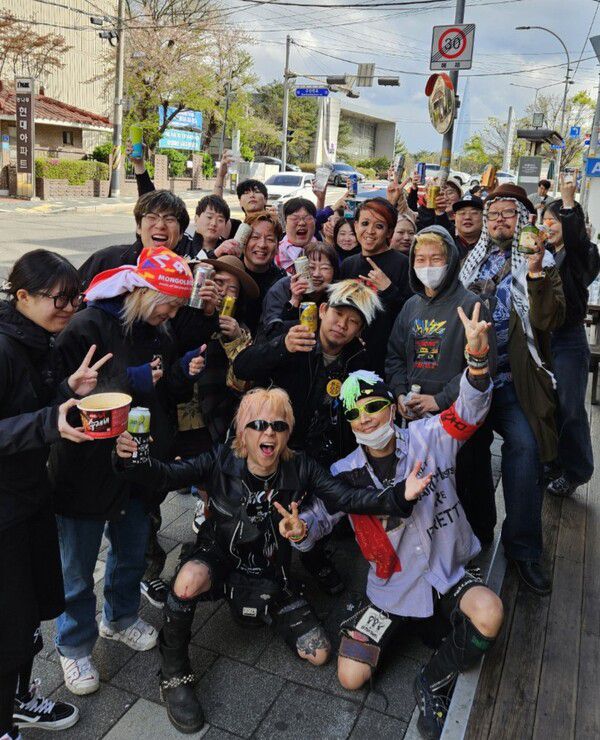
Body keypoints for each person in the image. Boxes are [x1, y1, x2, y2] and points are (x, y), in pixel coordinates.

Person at [114, 385, 419, 734]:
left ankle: (261, 605)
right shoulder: (220, 459)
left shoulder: (301, 466)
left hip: (271, 569)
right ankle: (173, 674)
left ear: (287, 433)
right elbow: (166, 476)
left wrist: (399, 496)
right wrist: (130, 460)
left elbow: (346, 497)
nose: (268, 432)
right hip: (220, 557)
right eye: (258, 424)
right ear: (243, 431)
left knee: (319, 654)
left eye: (278, 425)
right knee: (186, 581)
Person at [287, 303, 501, 739]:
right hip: (393, 587)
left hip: (446, 572)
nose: (366, 416)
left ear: (391, 406)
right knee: (350, 676)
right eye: (354, 411)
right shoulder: (344, 473)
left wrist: (477, 359)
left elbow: (470, 411)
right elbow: (319, 520)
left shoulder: (429, 437)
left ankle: (432, 681)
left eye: (373, 405)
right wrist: (300, 531)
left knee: (489, 613)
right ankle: (399, 623)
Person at [48, 248, 204, 697]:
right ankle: (74, 646)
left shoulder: (159, 329)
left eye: (176, 308)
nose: (171, 315)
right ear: (142, 292)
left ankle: (119, 617)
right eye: (168, 305)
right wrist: (129, 381)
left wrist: (182, 372)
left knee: (132, 549)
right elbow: (60, 399)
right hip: (83, 466)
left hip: (138, 461)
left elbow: (165, 392)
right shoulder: (87, 325)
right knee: (77, 567)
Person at [0, 251, 112, 738]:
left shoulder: (36, 339)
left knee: (32, 612)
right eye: (59, 299)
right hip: (5, 511)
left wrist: (68, 387)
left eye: (75, 299)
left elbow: (29, 406)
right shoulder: (4, 349)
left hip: (31, 496)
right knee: (9, 622)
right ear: (23, 296)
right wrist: (49, 421)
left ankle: (19, 699)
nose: (69, 308)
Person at [235, 279, 382, 594]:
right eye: (338, 314)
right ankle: (261, 561)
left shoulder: (359, 358)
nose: (342, 325)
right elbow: (242, 367)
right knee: (266, 511)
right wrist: (281, 347)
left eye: (353, 321)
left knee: (320, 507)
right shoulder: (293, 332)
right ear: (323, 310)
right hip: (276, 444)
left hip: (324, 449)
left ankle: (315, 555)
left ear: (359, 330)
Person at [460, 183, 565, 594]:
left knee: (524, 450)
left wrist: (536, 270)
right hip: (473, 378)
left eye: (508, 214)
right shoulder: (471, 261)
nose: (499, 221)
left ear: (522, 220)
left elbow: (550, 319)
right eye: (493, 215)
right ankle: (477, 532)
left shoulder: (542, 262)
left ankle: (522, 549)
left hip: (515, 382)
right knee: (469, 454)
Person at [385, 226, 497, 543]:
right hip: (417, 420)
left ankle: (478, 540)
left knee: (468, 483)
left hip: (460, 418)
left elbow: (484, 365)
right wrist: (400, 393)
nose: (428, 265)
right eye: (420, 259)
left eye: (436, 258)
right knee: (429, 485)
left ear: (450, 262)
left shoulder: (472, 305)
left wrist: (441, 399)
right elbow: (394, 356)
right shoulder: (411, 307)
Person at [542, 176, 600, 497]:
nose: (548, 226)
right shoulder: (544, 253)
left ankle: (577, 471)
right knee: (548, 404)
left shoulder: (580, 254)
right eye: (546, 221)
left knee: (570, 406)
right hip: (543, 339)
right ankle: (553, 462)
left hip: (569, 340)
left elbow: (577, 240)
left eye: (554, 221)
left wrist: (567, 200)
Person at [339, 197, 412, 375]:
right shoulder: (348, 264)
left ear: (389, 232)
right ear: (356, 226)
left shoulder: (403, 264)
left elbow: (411, 316)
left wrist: (388, 289)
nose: (370, 231)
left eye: (379, 226)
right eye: (365, 223)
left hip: (387, 359)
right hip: (349, 355)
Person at [78, 190, 191, 290]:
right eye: (152, 217)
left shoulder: (188, 274)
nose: (160, 225)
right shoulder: (106, 260)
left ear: (181, 233)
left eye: (170, 219)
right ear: (138, 227)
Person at [258, 242, 339, 340]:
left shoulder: (338, 294)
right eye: (311, 267)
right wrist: (294, 301)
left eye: (324, 268)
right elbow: (272, 335)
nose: (317, 274)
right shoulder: (281, 288)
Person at [238, 210, 286, 336]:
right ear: (244, 240)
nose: (262, 244)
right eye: (255, 237)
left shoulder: (282, 281)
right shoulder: (230, 272)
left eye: (269, 239)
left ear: (277, 247)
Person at [276, 197, 317, 273]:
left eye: (307, 218)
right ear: (285, 222)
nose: (301, 223)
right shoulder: (274, 253)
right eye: (295, 218)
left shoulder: (324, 252)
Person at [452, 194, 484, 259]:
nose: (467, 217)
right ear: (454, 217)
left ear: (483, 216)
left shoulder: (492, 246)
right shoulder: (448, 246)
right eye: (462, 213)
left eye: (474, 213)